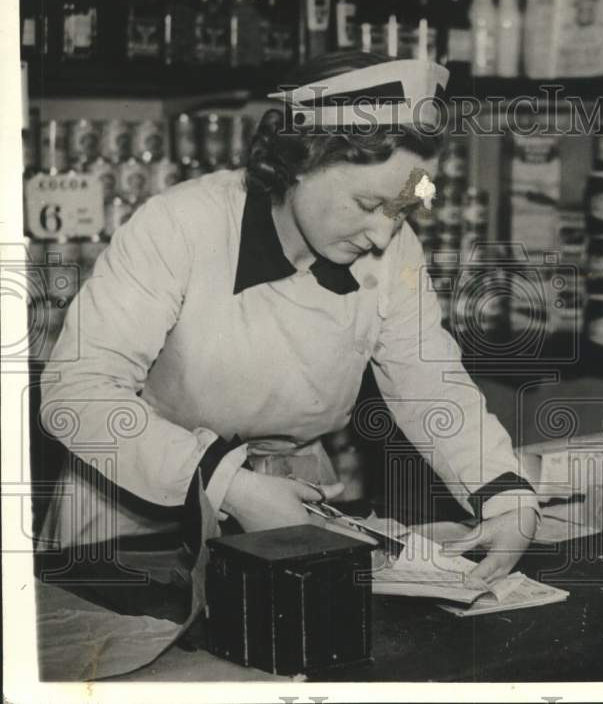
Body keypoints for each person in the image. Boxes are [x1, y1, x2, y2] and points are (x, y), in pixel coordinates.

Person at [38, 51, 539, 586]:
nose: (381, 236)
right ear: (300, 159)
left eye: (400, 211)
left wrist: (503, 494)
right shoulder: (181, 224)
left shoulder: (393, 249)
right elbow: (76, 392)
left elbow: (429, 384)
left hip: (296, 500)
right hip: (140, 511)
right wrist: (227, 483)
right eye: (367, 203)